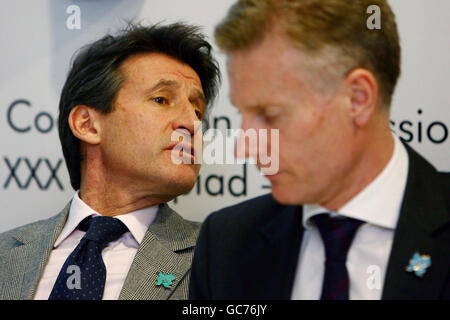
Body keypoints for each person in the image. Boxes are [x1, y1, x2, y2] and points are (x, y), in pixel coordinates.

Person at [189, 0, 450, 300]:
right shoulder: (226, 246)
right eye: (242, 113)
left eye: (271, 115)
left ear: (357, 98)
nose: (243, 146)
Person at [0, 22, 220, 300]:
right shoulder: (5, 256)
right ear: (87, 125)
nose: (191, 123)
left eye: (198, 111)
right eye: (162, 99)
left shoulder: (223, 259)